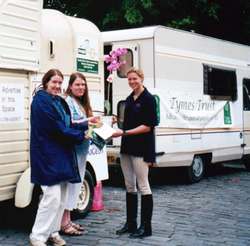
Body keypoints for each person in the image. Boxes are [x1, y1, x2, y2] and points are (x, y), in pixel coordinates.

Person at [29, 69, 93, 246]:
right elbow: (57, 128)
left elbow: (69, 123)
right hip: (47, 155)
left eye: (59, 83)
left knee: (62, 197)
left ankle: (53, 232)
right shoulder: (41, 102)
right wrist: (82, 135)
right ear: (46, 82)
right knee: (52, 196)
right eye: (54, 82)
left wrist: (88, 123)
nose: (57, 86)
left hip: (62, 155)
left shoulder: (57, 101)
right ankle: (37, 236)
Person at [112, 68, 158, 238]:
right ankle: (131, 223)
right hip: (127, 148)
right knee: (129, 185)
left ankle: (146, 227)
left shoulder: (149, 99)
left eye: (134, 79)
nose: (132, 82)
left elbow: (147, 126)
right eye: (129, 79)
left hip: (141, 148)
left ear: (141, 78)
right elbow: (128, 123)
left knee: (143, 185)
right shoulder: (129, 99)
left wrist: (125, 133)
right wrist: (119, 121)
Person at [60, 72, 94, 235]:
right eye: (77, 85)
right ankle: (63, 223)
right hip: (72, 150)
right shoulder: (68, 101)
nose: (81, 87)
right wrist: (89, 121)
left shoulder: (80, 102)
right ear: (71, 86)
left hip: (81, 151)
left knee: (74, 187)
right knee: (69, 186)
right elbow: (70, 123)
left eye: (83, 84)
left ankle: (67, 220)